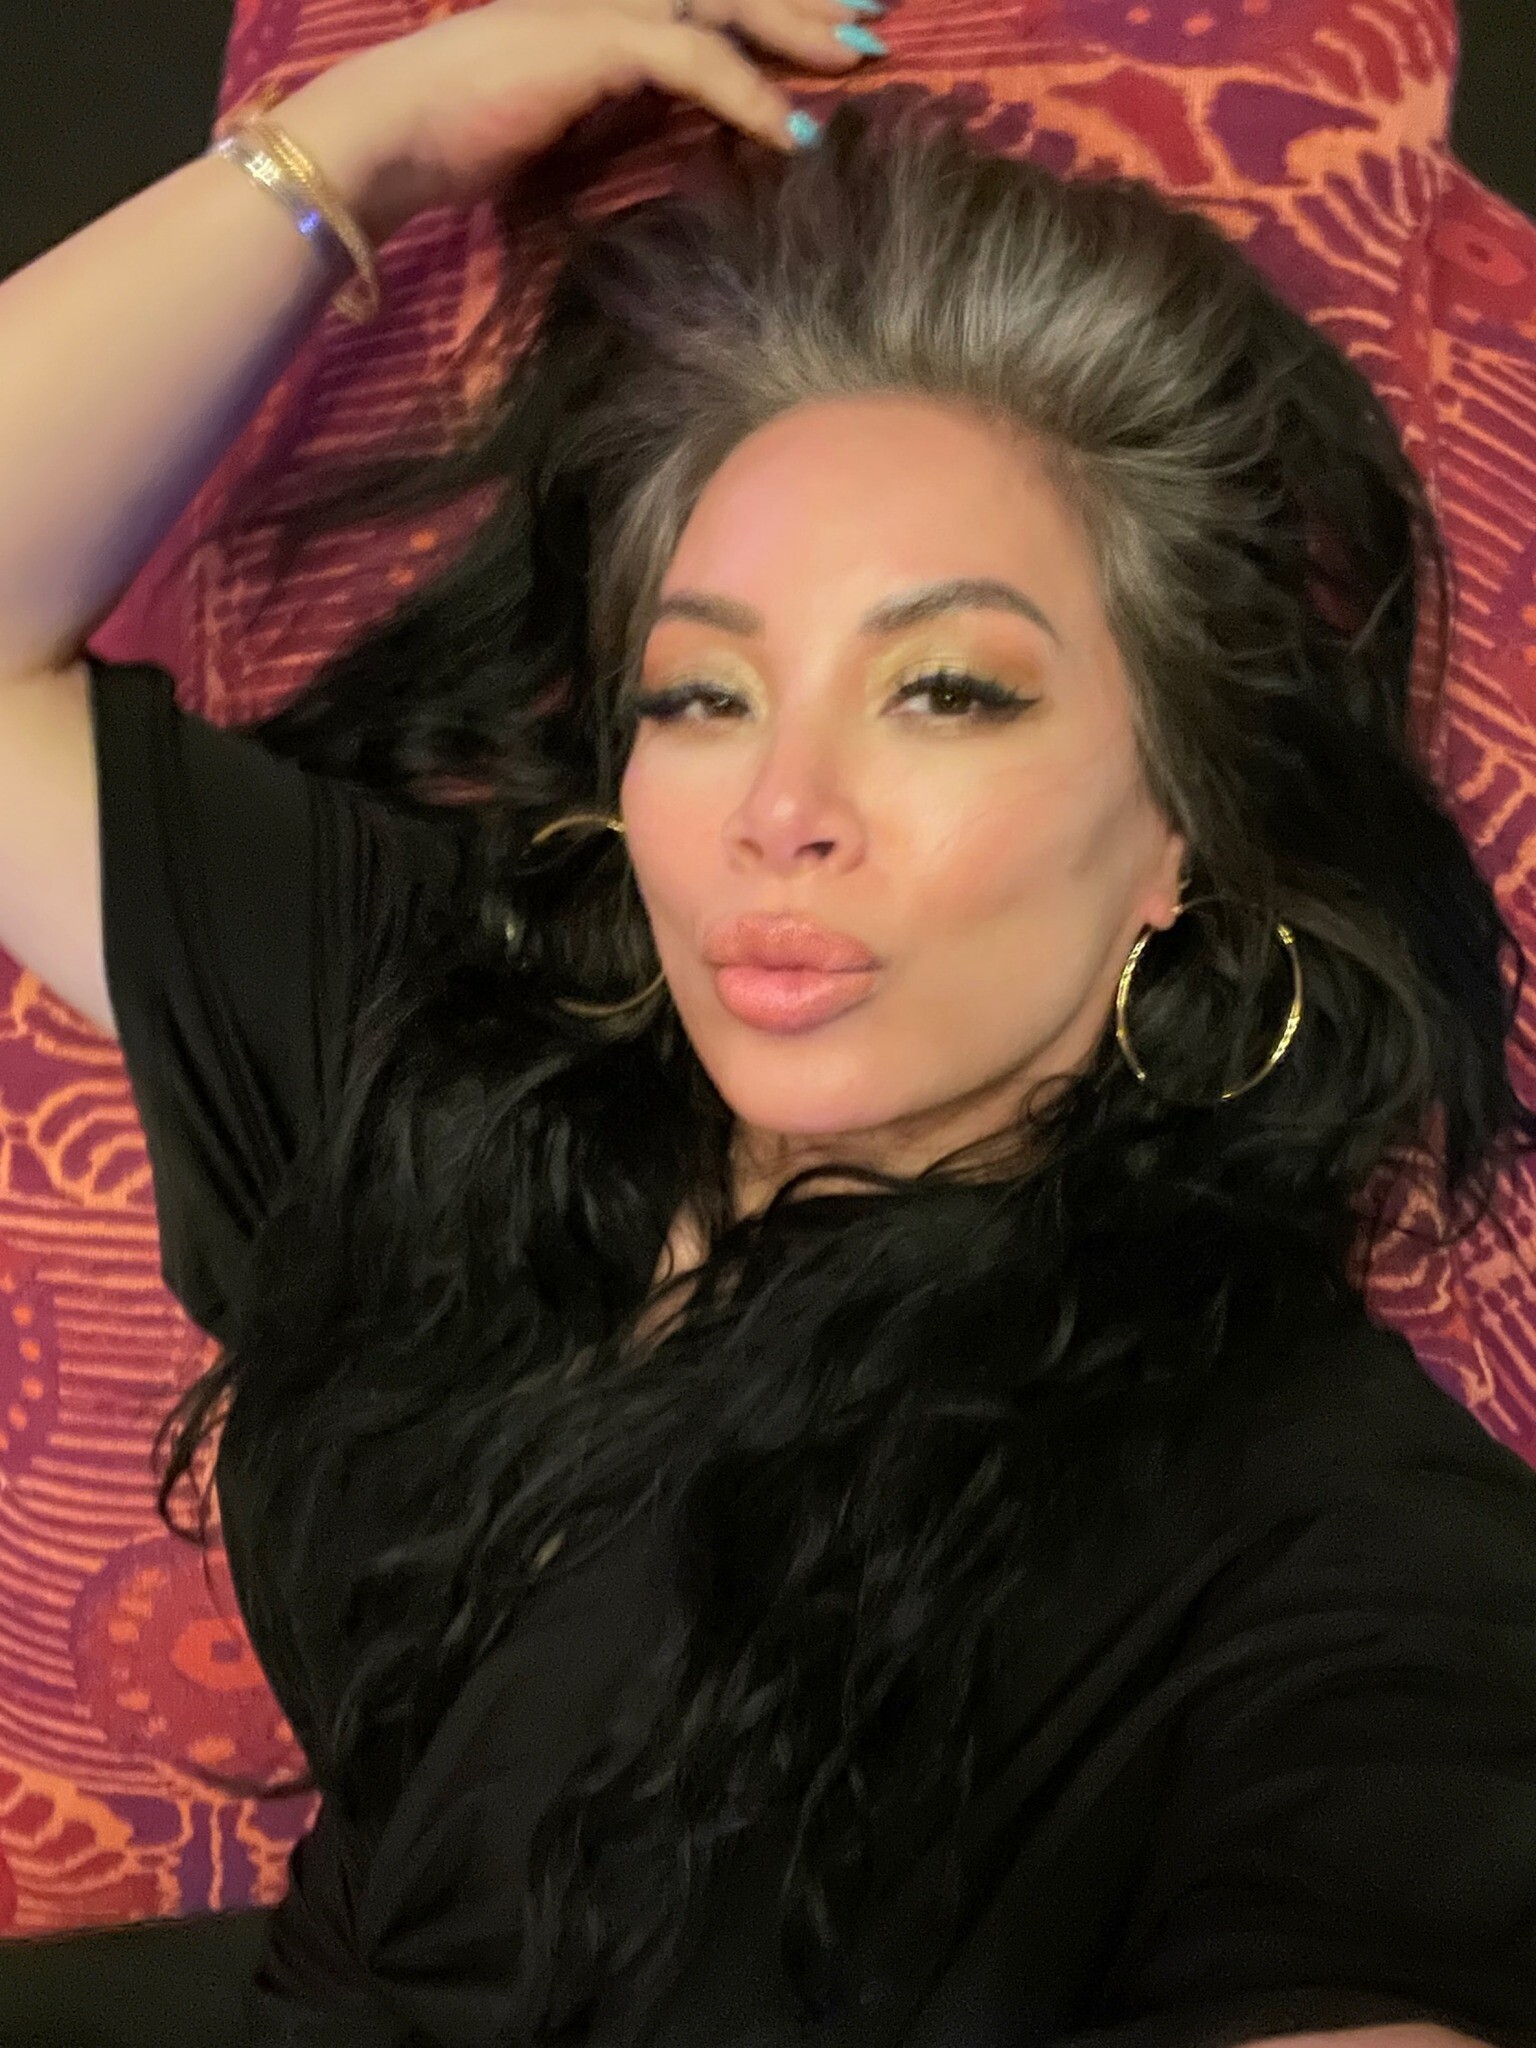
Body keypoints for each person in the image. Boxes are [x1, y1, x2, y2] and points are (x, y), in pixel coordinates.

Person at [1, 4, 1534, 2045]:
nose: (779, 809)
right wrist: (366, 144)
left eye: (946, 692)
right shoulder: (464, 1056)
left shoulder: (1319, 1534)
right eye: (704, 695)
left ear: (1185, 821)